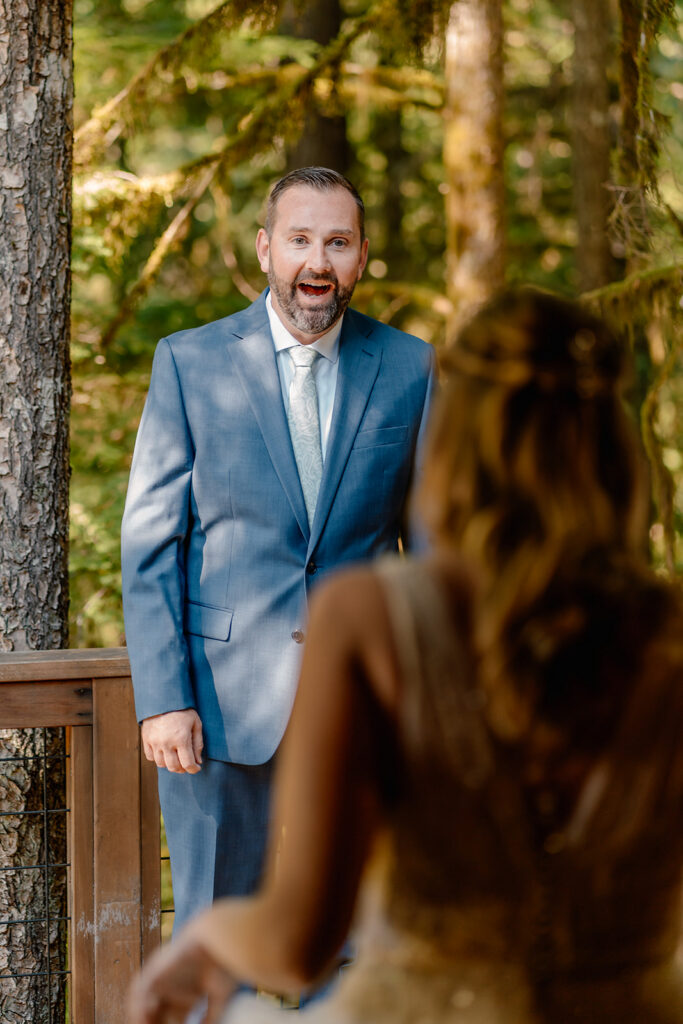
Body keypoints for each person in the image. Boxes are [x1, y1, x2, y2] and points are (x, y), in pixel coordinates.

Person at [128, 287, 683, 1024]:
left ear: (457, 443)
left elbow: (297, 943)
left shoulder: (374, 618)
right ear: (617, 453)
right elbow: (151, 539)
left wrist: (195, 941)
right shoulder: (667, 635)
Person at [121, 166, 435, 930]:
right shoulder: (189, 363)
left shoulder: (410, 368)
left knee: (358, 946)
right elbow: (151, 543)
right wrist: (164, 699)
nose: (316, 262)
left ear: (361, 256)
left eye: (336, 242)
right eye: (299, 240)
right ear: (265, 250)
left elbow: (432, 550)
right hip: (218, 717)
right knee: (216, 942)